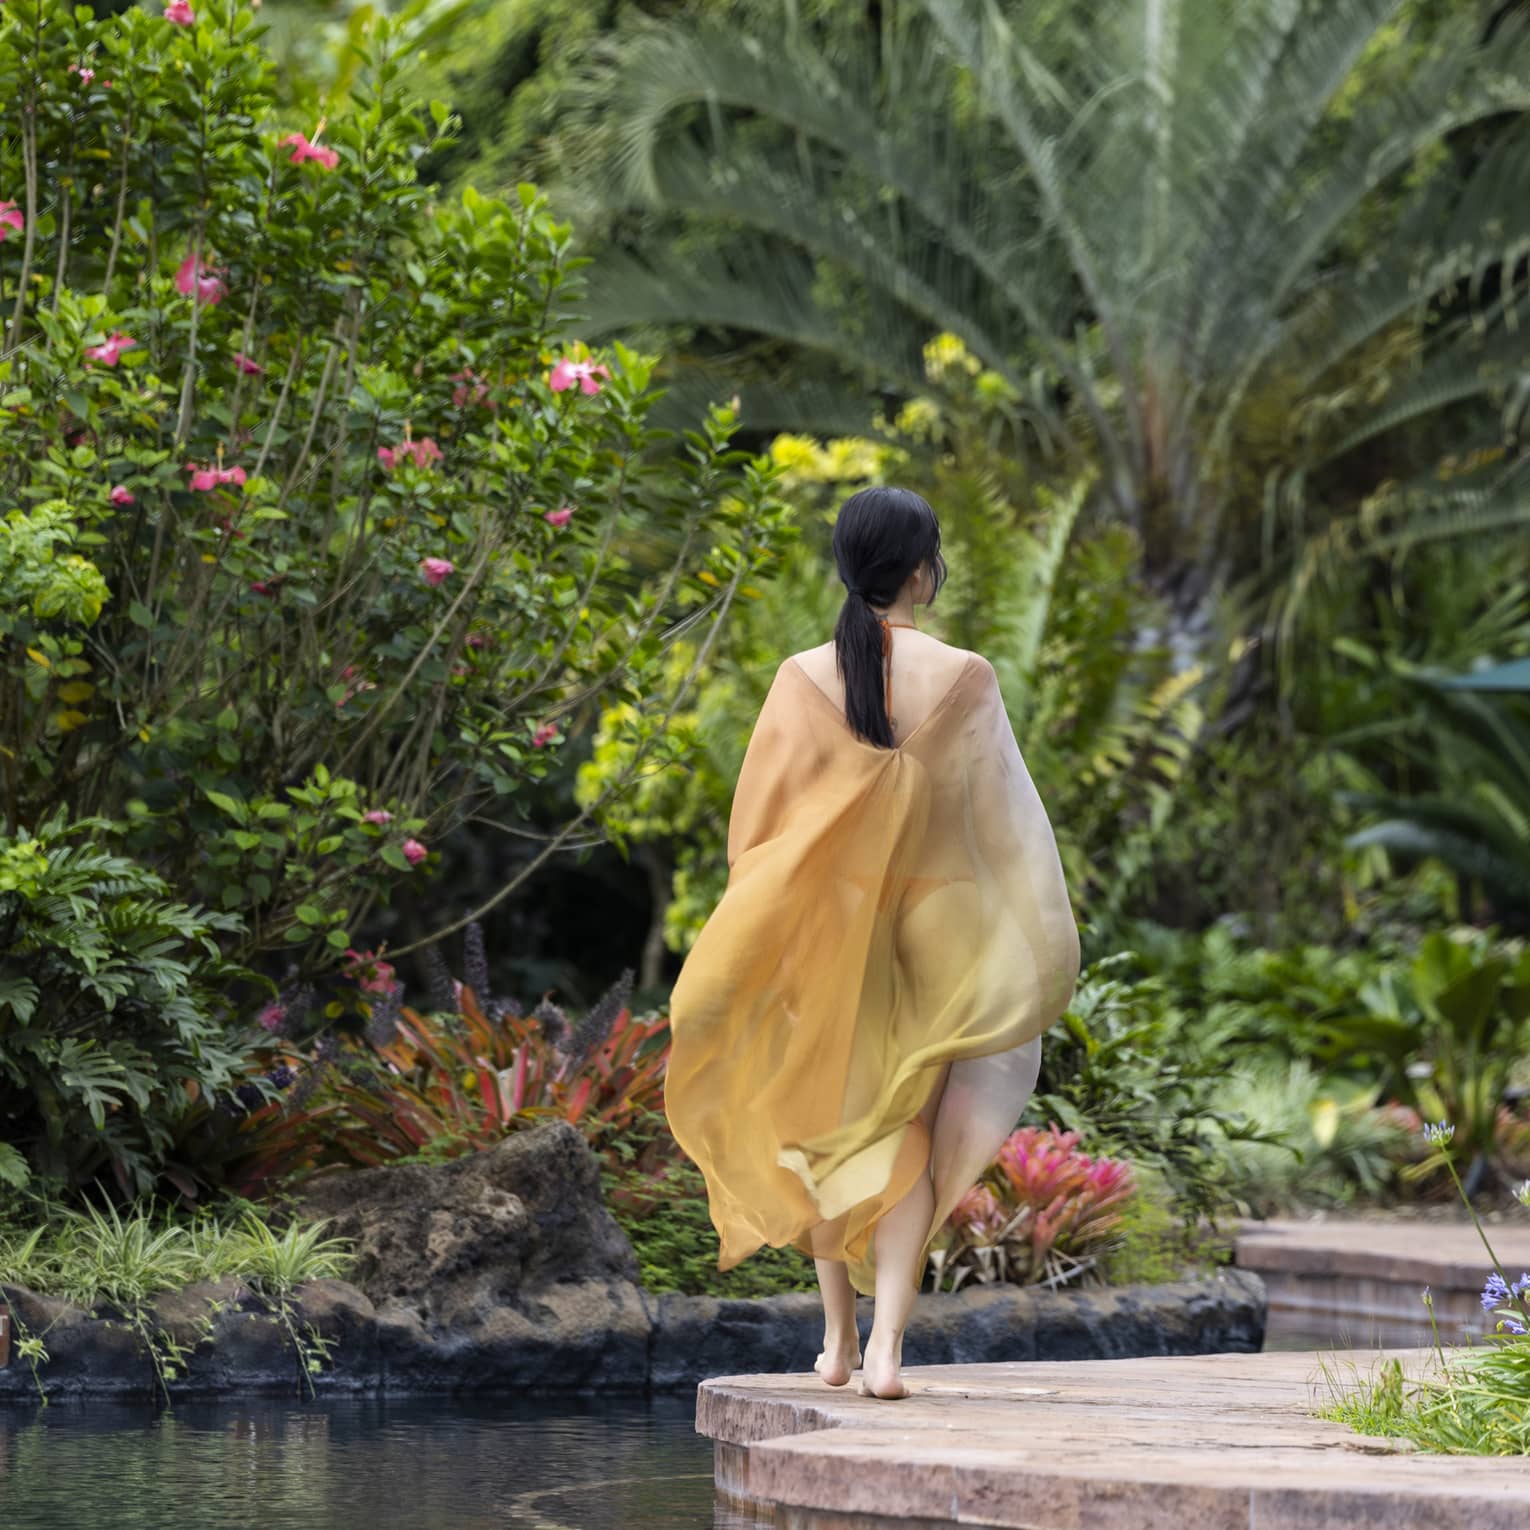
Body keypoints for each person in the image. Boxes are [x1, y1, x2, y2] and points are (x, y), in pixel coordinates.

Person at [665, 485, 1081, 1400]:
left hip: (828, 930)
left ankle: (839, 1346)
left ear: (849, 567)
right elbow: (1000, 826)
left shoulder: (800, 677)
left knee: (836, 1133)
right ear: (922, 567)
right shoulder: (964, 674)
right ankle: (890, 1350)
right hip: (934, 929)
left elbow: (758, 832)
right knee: (912, 1135)